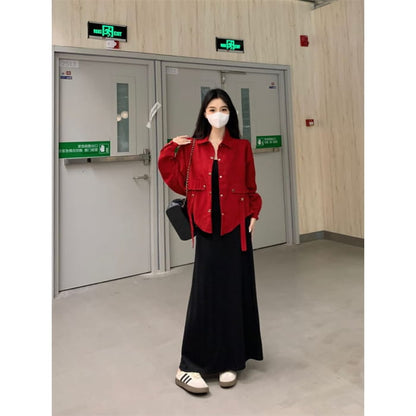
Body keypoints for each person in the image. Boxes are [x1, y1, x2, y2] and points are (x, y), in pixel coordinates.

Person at [158, 88, 263, 394]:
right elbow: (175, 179)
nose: (219, 114)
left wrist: (254, 212)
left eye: (224, 109)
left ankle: (229, 361)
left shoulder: (242, 147)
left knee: (232, 293)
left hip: (236, 229)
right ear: (204, 114)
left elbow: (250, 186)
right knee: (204, 295)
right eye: (212, 109)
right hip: (205, 229)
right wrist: (171, 148)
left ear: (231, 113)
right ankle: (188, 366)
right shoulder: (193, 148)